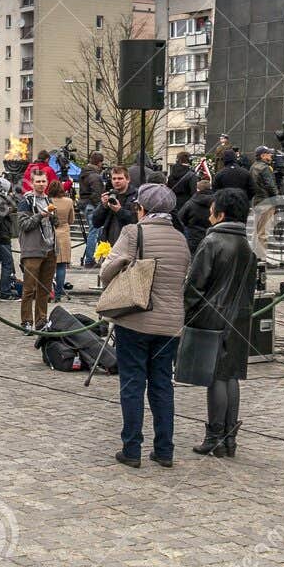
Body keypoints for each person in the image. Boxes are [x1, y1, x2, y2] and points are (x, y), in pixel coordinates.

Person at [98, 183, 188, 468]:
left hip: (136, 319)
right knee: (162, 384)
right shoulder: (180, 239)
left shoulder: (132, 232)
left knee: (133, 383)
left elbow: (106, 271)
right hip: (170, 324)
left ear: (142, 209)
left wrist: (122, 263)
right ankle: (164, 449)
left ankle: (132, 448)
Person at [183, 189, 258, 457]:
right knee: (231, 375)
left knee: (215, 376)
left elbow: (195, 284)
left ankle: (215, 436)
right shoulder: (248, 244)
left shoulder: (213, 241)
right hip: (239, 316)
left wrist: (189, 311)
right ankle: (229, 439)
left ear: (221, 213)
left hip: (212, 315)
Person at [17, 172, 57, 330]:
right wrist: (40, 215)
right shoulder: (25, 202)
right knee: (29, 288)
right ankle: (26, 322)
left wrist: (53, 217)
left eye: (43, 181)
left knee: (45, 289)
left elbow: (56, 224)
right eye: (38, 181)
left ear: (47, 183)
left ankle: (41, 320)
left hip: (50, 249)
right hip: (33, 250)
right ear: (32, 183)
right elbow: (24, 225)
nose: (41, 184)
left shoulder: (49, 200)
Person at [95, 165, 138, 248]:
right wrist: (103, 207)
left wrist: (119, 211)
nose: (116, 181)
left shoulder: (136, 196)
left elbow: (136, 220)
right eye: (114, 179)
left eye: (120, 178)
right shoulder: (109, 195)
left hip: (128, 244)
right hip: (109, 244)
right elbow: (96, 223)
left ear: (128, 179)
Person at [49, 176, 76, 302]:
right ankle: (59, 294)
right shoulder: (69, 202)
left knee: (50, 265)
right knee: (61, 266)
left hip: (51, 233)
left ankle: (50, 291)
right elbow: (71, 220)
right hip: (64, 234)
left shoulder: (48, 201)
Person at [179, 178, 215, 254]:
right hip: (211, 233)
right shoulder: (216, 203)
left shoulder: (191, 202)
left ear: (198, 189)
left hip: (193, 234)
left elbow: (181, 217)